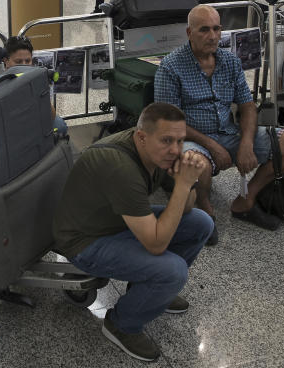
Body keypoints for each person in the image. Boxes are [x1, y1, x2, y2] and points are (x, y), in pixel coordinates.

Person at [53, 103, 214, 362]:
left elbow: (186, 208)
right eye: (167, 140)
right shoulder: (120, 167)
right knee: (173, 271)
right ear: (141, 136)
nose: (175, 149)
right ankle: (121, 324)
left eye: (181, 141)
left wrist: (189, 182)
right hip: (86, 241)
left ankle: (146, 289)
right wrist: (183, 184)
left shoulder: (157, 152)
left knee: (202, 223)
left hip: (117, 222)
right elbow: (156, 245)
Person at [154, 5, 284, 240]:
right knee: (196, 163)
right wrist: (214, 147)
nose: (213, 36)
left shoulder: (230, 62)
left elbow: (246, 106)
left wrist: (245, 143)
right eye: (204, 30)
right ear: (189, 33)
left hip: (229, 133)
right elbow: (169, 123)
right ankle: (204, 211)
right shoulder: (170, 67)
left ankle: (246, 201)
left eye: (217, 29)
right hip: (191, 138)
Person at [2, 35, 67, 136]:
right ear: (6, 62)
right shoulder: (0, 83)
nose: (24, 65)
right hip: (12, 125)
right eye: (18, 62)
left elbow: (52, 116)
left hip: (35, 119)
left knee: (60, 127)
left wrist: (42, 89)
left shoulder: (36, 77)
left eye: (27, 61)